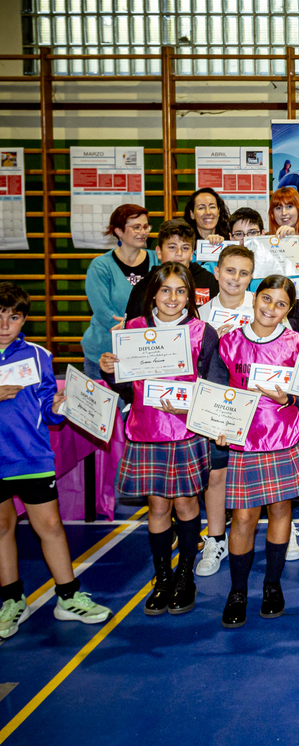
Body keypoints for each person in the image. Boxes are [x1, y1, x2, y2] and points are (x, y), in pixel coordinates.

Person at [100, 263, 219, 617]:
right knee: (157, 507)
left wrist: (194, 407)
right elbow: (125, 388)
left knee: (185, 506)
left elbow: (214, 385)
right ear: (153, 293)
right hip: (145, 430)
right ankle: (163, 576)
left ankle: (185, 576)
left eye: (180, 291)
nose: (172, 298)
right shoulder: (133, 330)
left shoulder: (202, 331)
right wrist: (110, 372)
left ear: (190, 296)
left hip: (184, 433)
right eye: (165, 290)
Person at [0, 283, 112, 639]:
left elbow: (49, 411)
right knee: (1, 528)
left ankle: (68, 596)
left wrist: (61, 407)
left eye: (13, 317)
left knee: (49, 527)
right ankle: (12, 599)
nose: (5, 324)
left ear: (24, 320)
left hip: (31, 457)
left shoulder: (37, 356)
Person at [206, 276, 299, 627]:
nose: (271, 308)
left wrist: (292, 399)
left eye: (280, 304)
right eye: (266, 299)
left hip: (284, 438)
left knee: (281, 510)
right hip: (243, 442)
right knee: (243, 518)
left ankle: (272, 585)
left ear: (288, 310)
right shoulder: (229, 342)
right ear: (255, 300)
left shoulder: (298, 343)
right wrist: (217, 427)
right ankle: (237, 591)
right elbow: (213, 391)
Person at [192, 244, 256, 579]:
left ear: (251, 278)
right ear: (216, 272)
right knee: (216, 475)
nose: (235, 278)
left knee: (259, 473)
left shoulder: (262, 308)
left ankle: (282, 529)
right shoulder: (199, 316)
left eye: (244, 273)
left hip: (259, 410)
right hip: (217, 406)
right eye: (229, 271)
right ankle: (215, 537)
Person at [81, 204, 157, 380]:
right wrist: (132, 326)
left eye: (146, 227)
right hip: (104, 353)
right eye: (136, 227)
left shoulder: (156, 259)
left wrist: (135, 325)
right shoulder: (101, 266)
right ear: (119, 231)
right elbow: (102, 311)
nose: (143, 232)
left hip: (146, 352)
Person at [125, 220, 220, 316]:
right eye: (172, 247)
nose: (179, 253)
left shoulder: (208, 281)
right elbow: (133, 325)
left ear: (192, 253)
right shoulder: (145, 285)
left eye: (185, 248)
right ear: (159, 252)